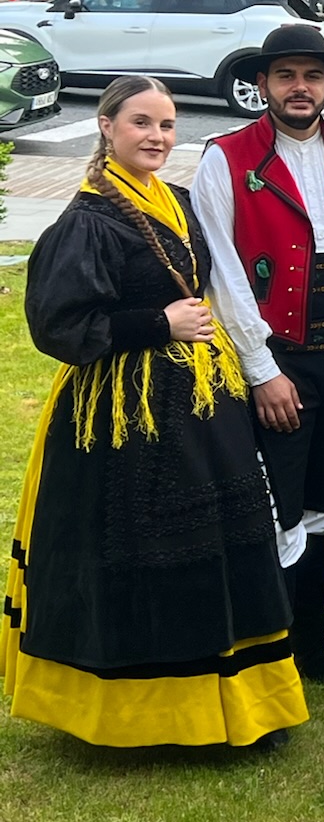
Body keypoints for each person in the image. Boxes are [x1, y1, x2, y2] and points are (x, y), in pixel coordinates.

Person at [2, 77, 307, 750]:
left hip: (200, 402)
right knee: (143, 544)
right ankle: (140, 714)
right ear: (106, 126)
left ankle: (233, 702)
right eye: (141, 122)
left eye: (166, 125)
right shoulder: (86, 221)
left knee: (219, 539)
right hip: (123, 415)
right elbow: (58, 326)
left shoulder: (177, 201)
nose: (156, 136)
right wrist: (158, 324)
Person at [191, 23, 324, 689]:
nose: (299, 87)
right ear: (262, 84)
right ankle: (266, 648)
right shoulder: (225, 158)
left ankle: (310, 646)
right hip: (280, 359)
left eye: (312, 76)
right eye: (286, 76)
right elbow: (223, 274)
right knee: (276, 505)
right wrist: (262, 369)